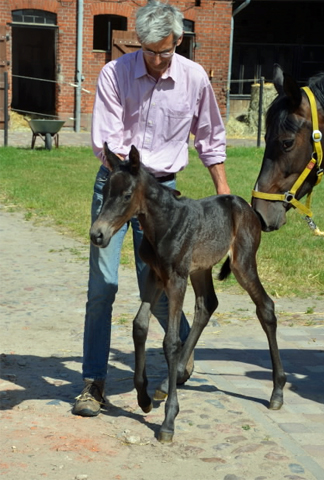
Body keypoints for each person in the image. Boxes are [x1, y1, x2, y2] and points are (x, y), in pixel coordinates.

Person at [73, 0, 230, 417]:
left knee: (159, 281)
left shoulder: (194, 78)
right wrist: (129, 185)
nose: (159, 61)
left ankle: (183, 349)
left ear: (179, 40)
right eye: (150, 51)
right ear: (138, 43)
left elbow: (210, 137)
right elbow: (106, 141)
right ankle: (94, 382)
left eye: (166, 51)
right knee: (102, 288)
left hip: (163, 194)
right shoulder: (114, 74)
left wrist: (225, 193)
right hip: (119, 183)